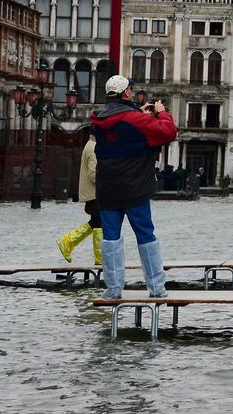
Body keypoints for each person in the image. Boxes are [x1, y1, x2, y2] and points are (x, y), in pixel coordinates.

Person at [91, 75, 178, 300]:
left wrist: (138, 113)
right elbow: (168, 132)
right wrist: (161, 112)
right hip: (135, 186)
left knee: (110, 238)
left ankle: (113, 289)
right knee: (145, 235)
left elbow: (122, 126)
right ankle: (157, 288)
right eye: (130, 88)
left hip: (107, 186)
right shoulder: (136, 119)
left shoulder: (98, 119)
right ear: (126, 93)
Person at [57, 128, 101, 265]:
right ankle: (99, 259)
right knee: (99, 223)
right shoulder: (94, 148)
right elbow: (93, 174)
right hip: (95, 193)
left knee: (96, 222)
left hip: (91, 192)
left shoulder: (90, 144)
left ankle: (68, 242)